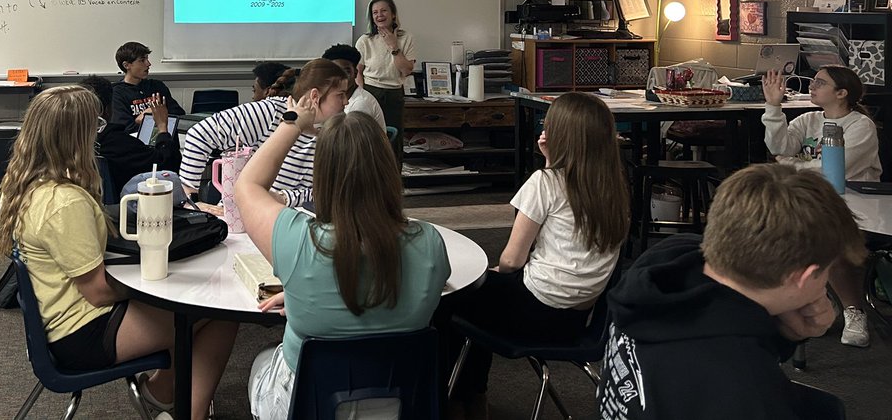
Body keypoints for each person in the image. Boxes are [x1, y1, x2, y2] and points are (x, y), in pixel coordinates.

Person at [0, 86, 236, 420]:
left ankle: (165, 392)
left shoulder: (26, 186)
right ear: (78, 136)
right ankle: (178, 405)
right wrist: (163, 278)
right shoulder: (64, 203)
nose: (99, 134)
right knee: (218, 309)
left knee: (194, 305)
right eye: (96, 127)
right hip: (84, 334)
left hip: (62, 322)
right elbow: (98, 292)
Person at [597, 163, 866, 419]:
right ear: (803, 276)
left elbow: (724, 327)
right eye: (827, 271)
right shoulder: (745, 391)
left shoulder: (665, 259)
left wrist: (784, 333)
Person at [236, 106, 450, 420]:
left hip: (309, 407)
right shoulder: (429, 242)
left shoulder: (297, 241)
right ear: (388, 170)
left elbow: (248, 186)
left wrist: (292, 122)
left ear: (321, 174)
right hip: (401, 403)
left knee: (262, 361)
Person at [443, 92, 629, 420]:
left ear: (561, 136)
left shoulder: (545, 182)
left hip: (533, 312)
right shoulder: (613, 188)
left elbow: (513, 259)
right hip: (574, 321)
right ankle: (473, 396)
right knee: (485, 297)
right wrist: (550, 163)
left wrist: (546, 170)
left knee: (454, 297)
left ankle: (460, 398)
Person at [761, 65, 881, 347]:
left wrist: (790, 166)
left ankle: (854, 310)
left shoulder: (860, 127)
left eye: (820, 83)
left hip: (856, 207)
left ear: (841, 93)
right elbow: (779, 148)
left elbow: (834, 170)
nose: (812, 86)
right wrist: (773, 107)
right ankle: (812, 301)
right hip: (812, 202)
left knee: (831, 241)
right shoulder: (808, 120)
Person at [178, 60, 347, 208]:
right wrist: (190, 200)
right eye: (340, 95)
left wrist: (284, 198)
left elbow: (327, 191)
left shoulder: (335, 130)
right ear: (315, 96)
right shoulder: (271, 112)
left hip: (290, 222)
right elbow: (199, 135)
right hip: (245, 221)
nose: (346, 101)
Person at [84, 75, 179, 200]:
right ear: (108, 109)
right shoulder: (117, 142)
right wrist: (162, 127)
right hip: (125, 207)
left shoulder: (74, 139)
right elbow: (167, 164)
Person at [355, 0, 415, 168]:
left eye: (383, 11)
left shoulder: (406, 38)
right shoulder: (365, 40)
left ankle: (394, 181)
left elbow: (406, 70)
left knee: (393, 141)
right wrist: (361, 95)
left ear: (393, 14)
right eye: (375, 12)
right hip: (370, 92)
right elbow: (357, 72)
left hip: (394, 94)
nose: (379, 15)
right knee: (369, 139)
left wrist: (393, 46)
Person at [110, 42, 186, 128]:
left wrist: (158, 113)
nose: (148, 64)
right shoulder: (116, 93)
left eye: (147, 59)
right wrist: (141, 120)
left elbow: (179, 114)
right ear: (126, 65)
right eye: (142, 60)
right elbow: (122, 128)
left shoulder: (156, 86)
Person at [321, 43, 385, 127]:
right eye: (335, 73)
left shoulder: (360, 104)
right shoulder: (339, 97)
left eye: (346, 72)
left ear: (355, 73)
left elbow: (349, 139)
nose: (341, 78)